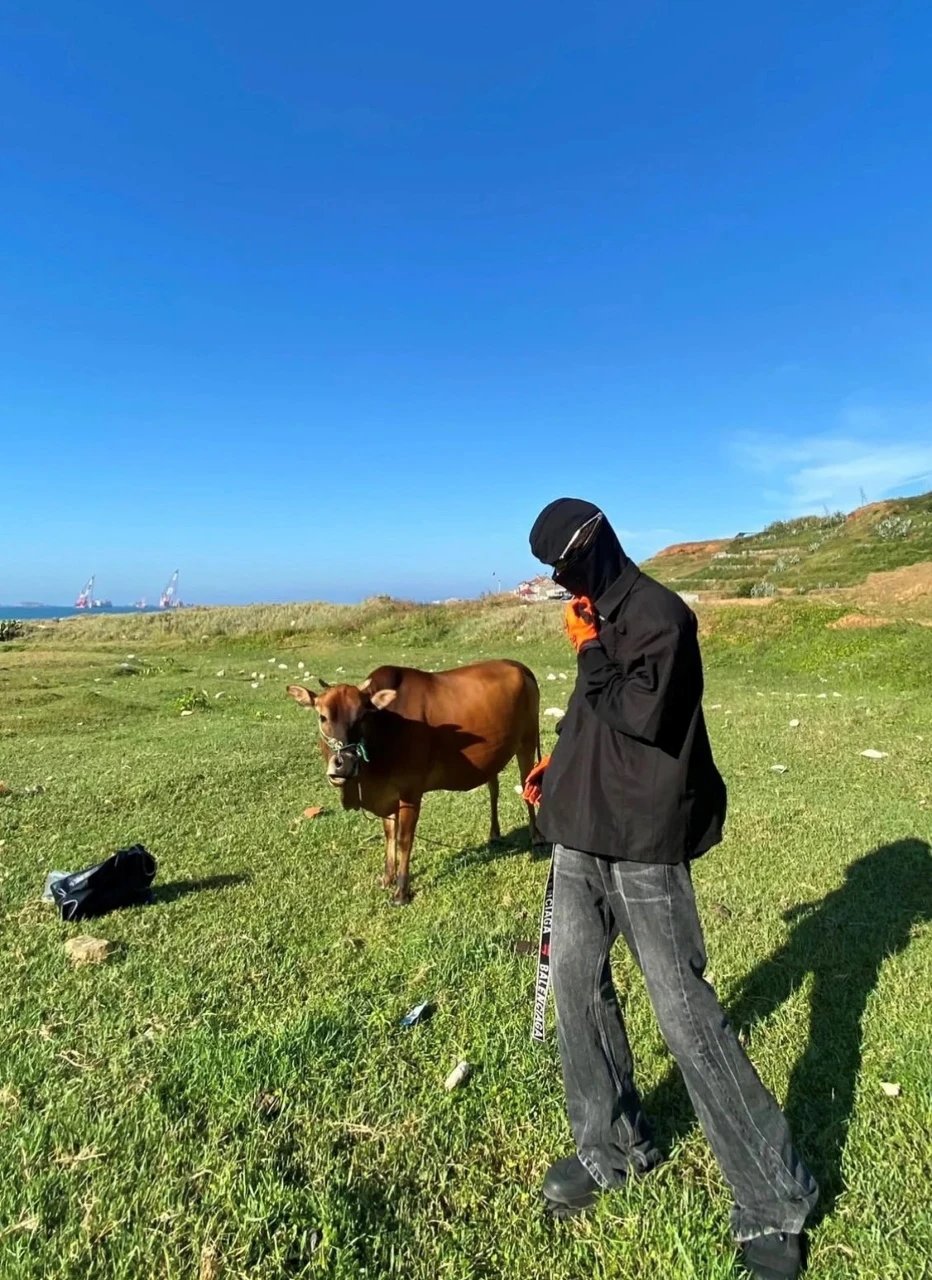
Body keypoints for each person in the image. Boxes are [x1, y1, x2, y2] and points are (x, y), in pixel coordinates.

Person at [522, 498, 818, 1280]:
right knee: (577, 991)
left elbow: (638, 710)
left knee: (685, 1016)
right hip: (580, 831)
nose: (563, 582)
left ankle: (775, 1199)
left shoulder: (661, 616)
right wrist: (559, 766)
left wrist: (589, 648)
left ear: (597, 545)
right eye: (553, 572)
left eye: (567, 565)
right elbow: (591, 716)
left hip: (644, 845)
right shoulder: (592, 611)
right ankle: (612, 1146)